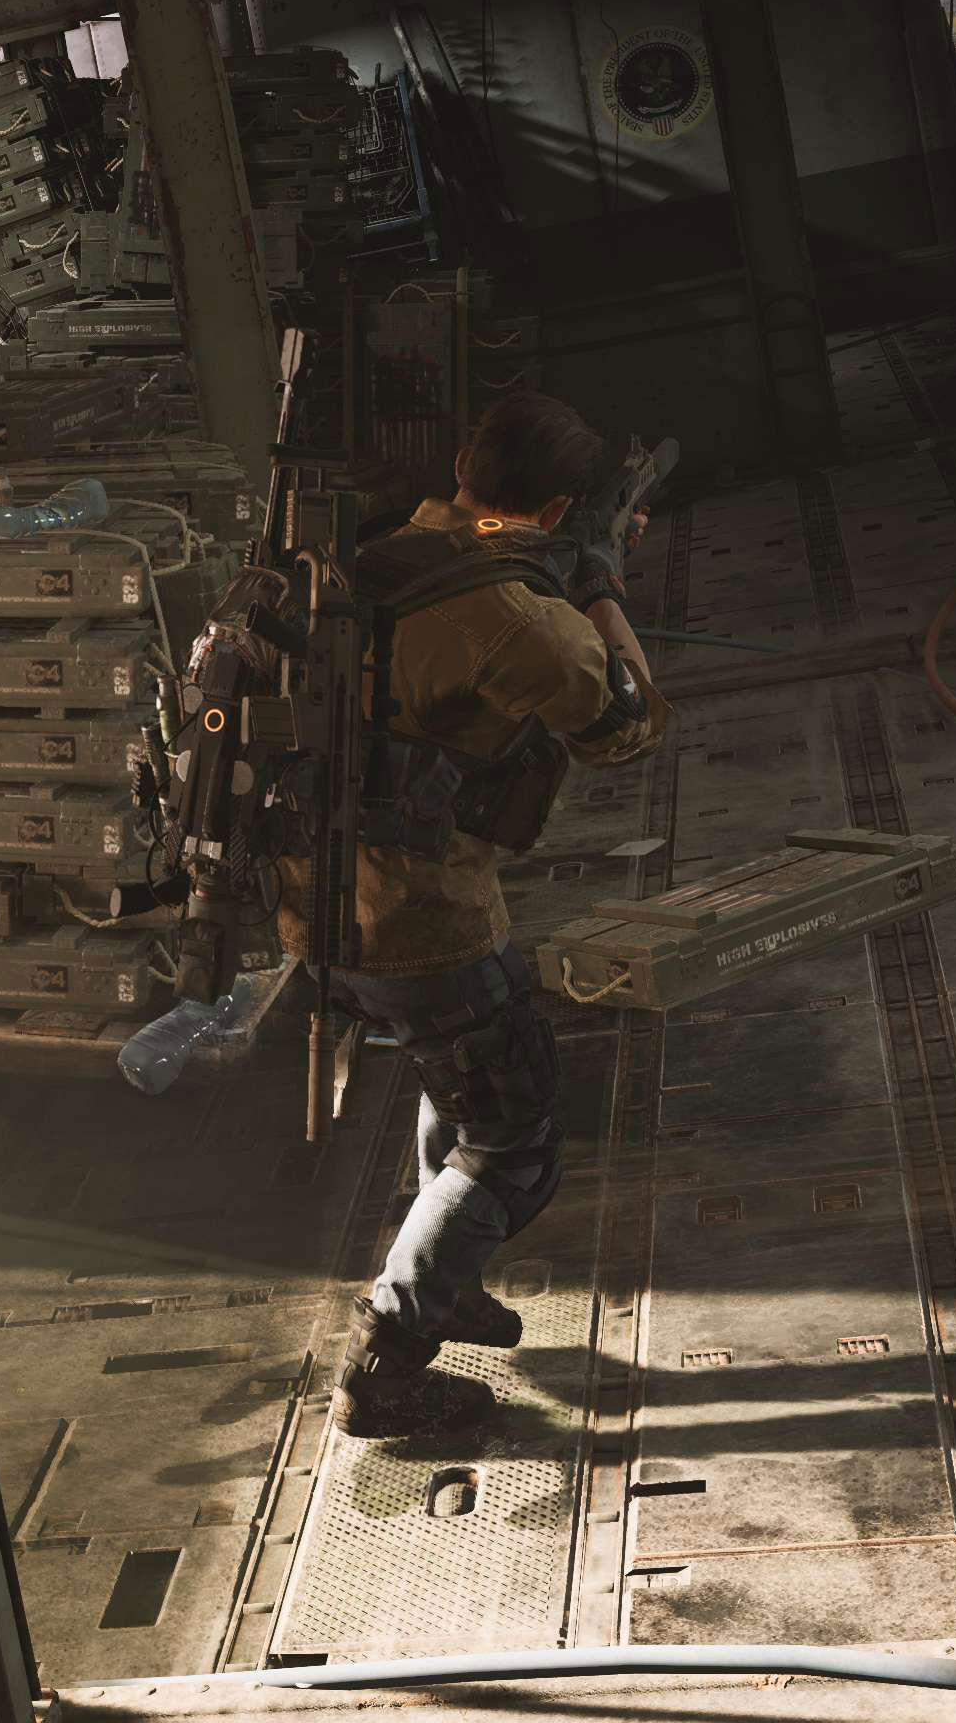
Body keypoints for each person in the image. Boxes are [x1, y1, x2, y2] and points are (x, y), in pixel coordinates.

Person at [307, 392, 671, 1439]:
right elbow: (628, 726)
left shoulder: (368, 557)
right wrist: (597, 584)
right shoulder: (518, 615)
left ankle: (446, 1277)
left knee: (462, 1079)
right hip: (419, 919)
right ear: (554, 508)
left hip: (310, 901)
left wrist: (557, 561)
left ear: (464, 463)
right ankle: (386, 1363)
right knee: (516, 1141)